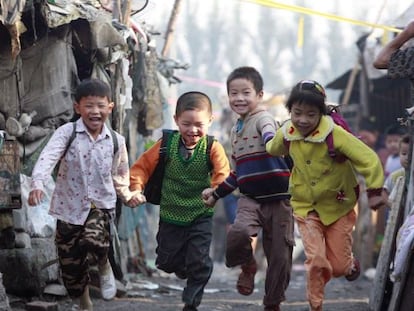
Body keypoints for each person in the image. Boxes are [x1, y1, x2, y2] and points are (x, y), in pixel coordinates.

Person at [265, 79, 387, 311]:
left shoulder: (335, 134)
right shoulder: (287, 131)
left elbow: (368, 159)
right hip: (305, 205)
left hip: (338, 206)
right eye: (297, 113)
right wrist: (268, 135)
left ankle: (350, 264)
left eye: (310, 115)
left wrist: (374, 190)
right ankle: (316, 305)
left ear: (320, 114)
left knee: (339, 267)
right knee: (316, 260)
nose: (302, 120)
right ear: (290, 111)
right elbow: (274, 148)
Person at [28, 79, 139, 311]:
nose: (95, 111)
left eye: (100, 105)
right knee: (71, 267)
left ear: (110, 107)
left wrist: (127, 196)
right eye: (89, 106)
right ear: (77, 107)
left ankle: (103, 263)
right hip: (68, 208)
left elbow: (120, 174)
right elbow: (48, 156)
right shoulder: (66, 133)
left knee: (94, 237)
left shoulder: (116, 141)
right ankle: (84, 302)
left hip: (100, 205)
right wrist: (37, 183)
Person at [128, 91, 230, 311]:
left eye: (199, 124)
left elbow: (223, 173)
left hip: (200, 214)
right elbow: (141, 168)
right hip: (170, 215)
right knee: (166, 262)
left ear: (210, 121)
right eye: (186, 124)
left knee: (199, 261)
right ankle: (187, 269)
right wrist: (136, 189)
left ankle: (191, 300)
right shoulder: (166, 144)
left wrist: (215, 191)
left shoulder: (212, 147)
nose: (193, 130)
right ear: (176, 120)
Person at [202, 66, 293, 311]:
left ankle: (272, 303)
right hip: (250, 198)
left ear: (259, 95)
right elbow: (237, 172)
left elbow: (270, 136)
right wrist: (217, 194)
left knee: (279, 257)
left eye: (246, 92)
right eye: (234, 93)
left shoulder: (263, 118)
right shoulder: (235, 130)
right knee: (238, 234)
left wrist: (272, 143)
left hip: (279, 199)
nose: (239, 98)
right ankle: (248, 265)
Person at [384, 134, 410, 199]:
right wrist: (392, 205)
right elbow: (384, 192)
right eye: (404, 154)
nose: (407, 157)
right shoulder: (395, 176)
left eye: (411, 154)